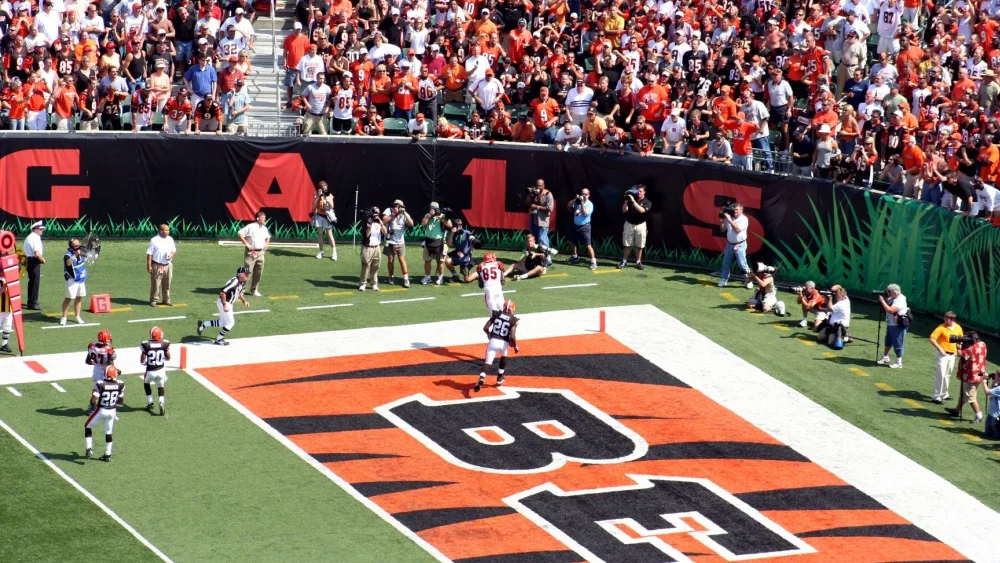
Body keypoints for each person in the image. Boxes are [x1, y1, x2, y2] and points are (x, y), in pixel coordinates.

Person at [196, 266, 251, 345]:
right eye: (246, 274)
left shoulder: (241, 282)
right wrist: (225, 304)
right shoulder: (234, 282)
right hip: (225, 302)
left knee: (223, 322)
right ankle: (219, 339)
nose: (247, 276)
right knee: (230, 323)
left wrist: (244, 301)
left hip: (226, 303)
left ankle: (204, 324)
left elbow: (237, 293)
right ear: (241, 275)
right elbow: (222, 292)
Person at [474, 299, 519, 392]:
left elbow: (485, 327)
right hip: (503, 343)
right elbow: (513, 336)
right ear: (512, 309)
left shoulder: (496, 314)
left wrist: (489, 333)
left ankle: (481, 378)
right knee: (504, 357)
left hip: (493, 341)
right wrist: (515, 346)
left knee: (488, 363)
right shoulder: (513, 319)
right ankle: (500, 377)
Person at [85, 365, 124, 462]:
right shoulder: (120, 384)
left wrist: (93, 405)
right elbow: (121, 401)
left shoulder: (100, 384)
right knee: (108, 432)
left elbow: (94, 399)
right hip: (112, 411)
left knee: (87, 426)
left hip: (101, 410)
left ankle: (89, 448)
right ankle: (108, 454)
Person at [946, 331, 987, 422]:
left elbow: (960, 354)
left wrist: (958, 345)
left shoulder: (971, 348)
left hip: (971, 376)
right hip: (980, 374)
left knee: (970, 397)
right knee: (963, 393)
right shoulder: (983, 344)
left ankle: (979, 415)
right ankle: (957, 410)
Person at [928, 312, 964, 403]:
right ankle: (936, 396)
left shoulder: (958, 328)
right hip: (943, 355)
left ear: (952, 320)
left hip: (952, 355)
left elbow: (961, 339)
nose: (945, 319)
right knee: (941, 375)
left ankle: (944, 394)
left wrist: (959, 347)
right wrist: (940, 349)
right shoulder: (941, 327)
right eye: (945, 317)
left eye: (947, 318)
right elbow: (932, 338)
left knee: (947, 375)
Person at [717, 202, 751, 288]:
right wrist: (722, 221)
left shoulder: (744, 219)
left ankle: (748, 280)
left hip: (740, 244)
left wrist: (729, 220)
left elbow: (737, 229)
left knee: (742, 264)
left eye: (737, 209)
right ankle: (723, 279)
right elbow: (722, 229)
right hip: (729, 244)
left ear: (741, 210)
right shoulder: (729, 218)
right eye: (734, 209)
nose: (735, 211)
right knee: (726, 263)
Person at [877, 284, 910, 369]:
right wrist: (885, 298)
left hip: (897, 326)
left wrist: (882, 301)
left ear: (894, 292)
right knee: (888, 341)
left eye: (889, 292)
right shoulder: (894, 298)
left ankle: (898, 362)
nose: (889, 293)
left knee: (897, 344)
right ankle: (885, 357)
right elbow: (888, 303)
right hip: (891, 324)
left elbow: (890, 310)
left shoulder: (900, 300)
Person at [237, 211, 270, 297]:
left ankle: (254, 290)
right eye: (263, 217)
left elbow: (268, 237)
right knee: (248, 271)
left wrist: (266, 245)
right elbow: (240, 233)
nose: (265, 219)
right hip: (251, 252)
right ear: (258, 218)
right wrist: (246, 243)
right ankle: (241, 290)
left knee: (259, 272)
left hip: (260, 253)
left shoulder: (264, 228)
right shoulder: (250, 227)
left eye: (265, 217)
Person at [140, 326, 171, 416]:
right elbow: (168, 358)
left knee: (146, 384)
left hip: (150, 371)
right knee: (160, 387)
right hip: (161, 370)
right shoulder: (165, 343)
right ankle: (161, 401)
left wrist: (144, 362)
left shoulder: (146, 344)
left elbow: (142, 359)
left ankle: (150, 402)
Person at [618, 185, 651, 270]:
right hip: (629, 224)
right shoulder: (630, 200)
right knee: (627, 244)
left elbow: (641, 210)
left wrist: (633, 202)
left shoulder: (647, 202)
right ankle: (624, 261)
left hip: (641, 225)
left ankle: (638, 262)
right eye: (638, 191)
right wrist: (626, 201)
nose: (639, 193)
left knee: (639, 245)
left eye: (641, 191)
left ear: (644, 192)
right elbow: (624, 210)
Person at [382, 199, 413, 288]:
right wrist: (393, 214)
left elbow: (411, 224)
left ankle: (406, 278)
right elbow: (384, 220)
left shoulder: (404, 214)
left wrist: (405, 213)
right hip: (390, 240)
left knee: (401, 260)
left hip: (400, 241)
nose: (397, 207)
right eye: (395, 205)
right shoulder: (389, 210)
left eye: (399, 206)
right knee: (390, 260)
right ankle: (391, 277)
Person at [420, 202, 451, 285]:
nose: (432, 210)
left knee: (440, 261)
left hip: (440, 242)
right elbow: (423, 224)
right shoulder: (427, 215)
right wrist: (429, 216)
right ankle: (427, 277)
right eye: (431, 208)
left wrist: (440, 218)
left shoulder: (443, 216)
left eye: (434, 209)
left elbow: (450, 225)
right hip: (428, 241)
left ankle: (440, 277)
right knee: (427, 261)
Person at [525, 179, 554, 266]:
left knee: (542, 240)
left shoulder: (548, 194)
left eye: (540, 186)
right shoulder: (534, 194)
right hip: (534, 220)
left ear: (543, 186)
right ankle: (536, 258)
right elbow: (527, 204)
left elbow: (550, 208)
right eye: (537, 185)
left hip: (543, 222)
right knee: (535, 241)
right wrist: (530, 194)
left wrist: (537, 207)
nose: (538, 187)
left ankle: (548, 259)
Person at [146, 224, 176, 307]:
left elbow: (173, 250)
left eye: (168, 230)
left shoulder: (170, 239)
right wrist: (149, 265)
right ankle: (153, 300)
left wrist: (171, 255)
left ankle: (166, 300)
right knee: (156, 283)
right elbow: (149, 254)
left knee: (167, 283)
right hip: (157, 265)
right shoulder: (154, 240)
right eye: (166, 230)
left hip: (168, 265)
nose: (168, 231)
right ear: (161, 231)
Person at [566, 188, 596, 270]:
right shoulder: (577, 202)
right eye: (582, 194)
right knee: (570, 241)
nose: (583, 196)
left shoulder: (590, 204)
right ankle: (575, 257)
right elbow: (568, 206)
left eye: (585, 194)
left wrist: (582, 203)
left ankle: (593, 262)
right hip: (575, 226)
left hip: (584, 227)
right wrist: (575, 199)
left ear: (589, 195)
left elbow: (585, 213)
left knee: (588, 245)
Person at [61, 239, 88, 326]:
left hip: (80, 279)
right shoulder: (67, 255)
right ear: (71, 246)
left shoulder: (81, 251)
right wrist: (75, 255)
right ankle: (64, 317)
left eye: (78, 245)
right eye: (75, 246)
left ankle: (78, 316)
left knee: (79, 298)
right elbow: (68, 263)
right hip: (72, 280)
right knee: (68, 298)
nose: (78, 247)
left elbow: (87, 255)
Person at [359, 207, 386, 292]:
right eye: (374, 215)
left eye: (377, 215)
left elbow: (385, 232)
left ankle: (374, 284)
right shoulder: (366, 222)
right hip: (367, 247)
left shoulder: (379, 222)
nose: (376, 216)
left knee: (375, 266)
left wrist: (381, 223)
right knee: (366, 266)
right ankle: (363, 283)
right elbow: (367, 234)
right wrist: (370, 224)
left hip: (376, 247)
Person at [85, 329, 117, 397]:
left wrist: (96, 363)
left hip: (95, 373)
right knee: (108, 391)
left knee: (96, 390)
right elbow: (111, 365)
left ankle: (93, 405)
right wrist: (116, 370)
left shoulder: (91, 346)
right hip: (106, 373)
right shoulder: (109, 350)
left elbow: (87, 361)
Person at [444, 217, 476, 282]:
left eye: (460, 225)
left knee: (467, 280)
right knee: (447, 261)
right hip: (457, 254)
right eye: (457, 225)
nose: (459, 227)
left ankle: (477, 273)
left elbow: (472, 241)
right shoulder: (453, 233)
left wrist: (469, 253)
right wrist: (452, 233)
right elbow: (449, 244)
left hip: (466, 257)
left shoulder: (466, 232)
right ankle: (455, 275)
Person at [312, 181, 338, 261]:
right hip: (319, 216)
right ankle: (321, 251)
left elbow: (332, 206)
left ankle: (334, 253)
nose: (324, 189)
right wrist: (318, 197)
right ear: (320, 189)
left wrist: (326, 198)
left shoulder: (329, 195)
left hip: (327, 216)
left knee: (329, 234)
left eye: (325, 188)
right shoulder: (317, 194)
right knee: (320, 234)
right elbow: (314, 206)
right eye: (323, 188)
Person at [22, 220, 44, 310]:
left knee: (32, 282)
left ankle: (31, 301)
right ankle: (33, 303)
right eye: (40, 229)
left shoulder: (31, 237)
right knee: (34, 282)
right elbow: (37, 253)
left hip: (29, 260)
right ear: (35, 229)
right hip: (33, 261)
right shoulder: (35, 238)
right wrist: (42, 260)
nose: (42, 230)